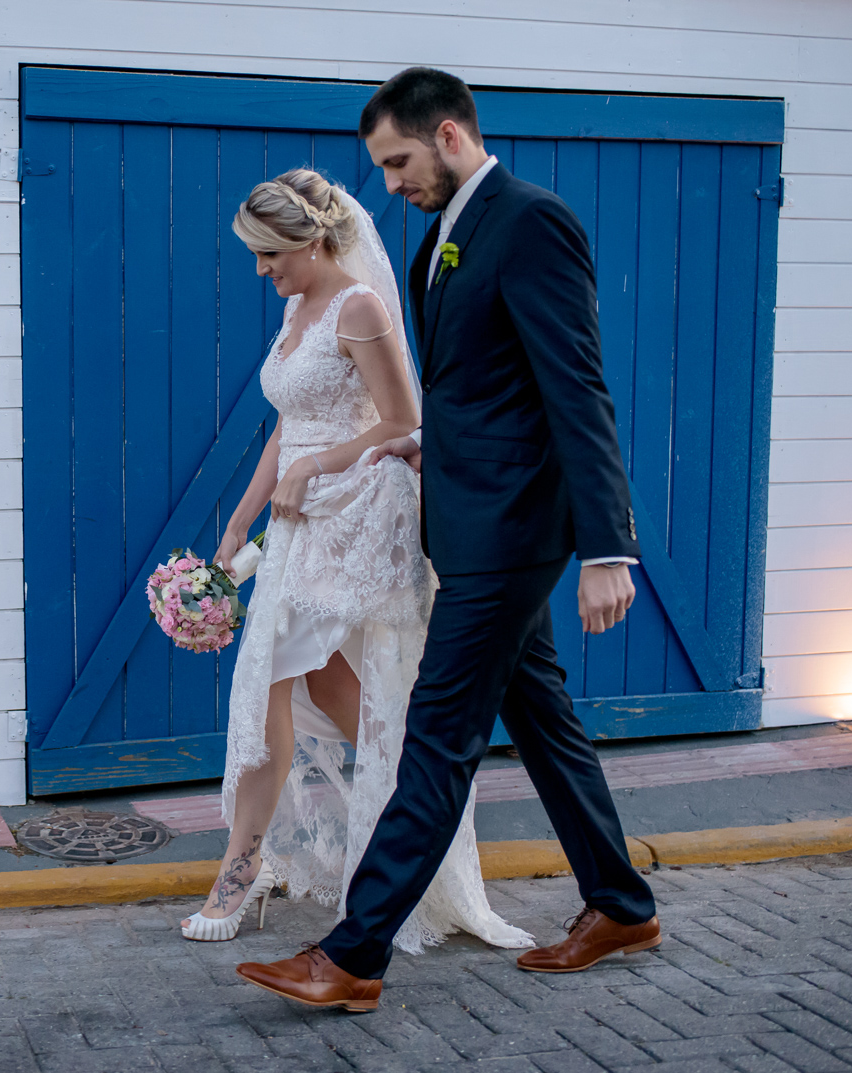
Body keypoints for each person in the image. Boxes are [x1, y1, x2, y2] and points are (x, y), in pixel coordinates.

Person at [236, 69, 660, 1011]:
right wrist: (428, 446)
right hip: (469, 521)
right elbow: (482, 390)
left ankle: (353, 956)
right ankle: (622, 903)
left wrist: (608, 548)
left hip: (513, 532)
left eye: (398, 161)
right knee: (542, 720)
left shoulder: (531, 222)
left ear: (451, 135)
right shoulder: (443, 239)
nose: (388, 184)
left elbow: (576, 385)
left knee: (435, 738)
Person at [180, 168, 532, 957]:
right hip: (296, 520)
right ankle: (418, 811)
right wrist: (237, 519)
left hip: (352, 516)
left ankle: (242, 869)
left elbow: (404, 419)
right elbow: (288, 425)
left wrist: (314, 467)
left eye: (270, 254)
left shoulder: (359, 306)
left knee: (268, 681)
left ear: (311, 240)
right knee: (325, 685)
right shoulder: (298, 307)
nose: (261, 270)